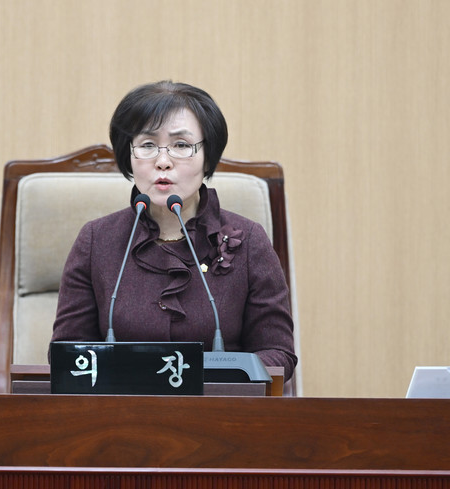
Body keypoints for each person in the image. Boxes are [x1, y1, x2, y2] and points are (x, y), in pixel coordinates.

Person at [51, 80, 297, 381]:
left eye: (181, 145)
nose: (163, 162)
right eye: (147, 145)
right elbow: (66, 353)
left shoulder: (249, 241)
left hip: (219, 407)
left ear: (208, 156)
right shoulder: (96, 241)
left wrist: (211, 379)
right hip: (121, 408)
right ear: (128, 155)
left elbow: (278, 353)